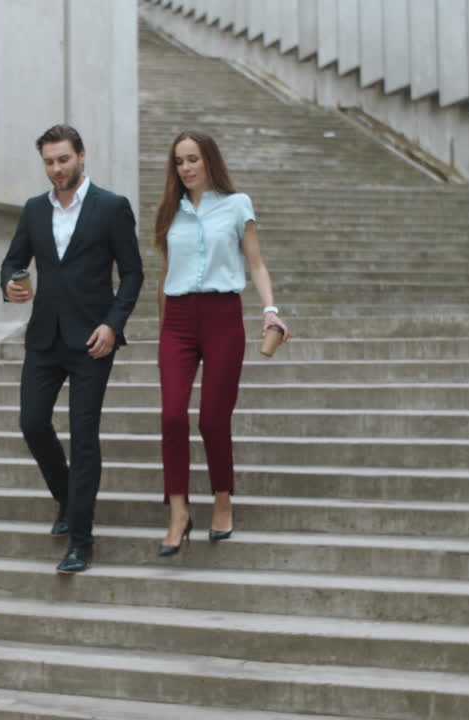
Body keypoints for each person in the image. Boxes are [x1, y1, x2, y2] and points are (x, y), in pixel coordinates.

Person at [0, 124, 144, 574]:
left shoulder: (112, 207)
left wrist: (112, 325)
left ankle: (80, 540)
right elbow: (13, 259)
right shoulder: (33, 210)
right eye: (49, 161)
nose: (57, 168)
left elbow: (134, 273)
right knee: (32, 422)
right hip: (44, 337)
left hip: (92, 343)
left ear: (82, 155)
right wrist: (8, 282)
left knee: (84, 438)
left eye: (64, 159)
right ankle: (66, 496)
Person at [151, 129, 288, 557]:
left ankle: (223, 499)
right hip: (176, 321)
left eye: (193, 159)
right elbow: (167, 273)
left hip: (223, 317)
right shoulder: (169, 213)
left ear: (209, 160)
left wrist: (270, 310)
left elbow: (257, 264)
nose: (186, 168)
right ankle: (178, 510)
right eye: (179, 161)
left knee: (212, 419)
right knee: (172, 415)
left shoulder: (236, 205)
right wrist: (163, 326)